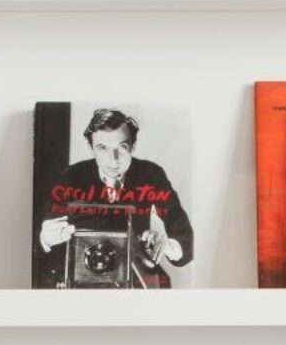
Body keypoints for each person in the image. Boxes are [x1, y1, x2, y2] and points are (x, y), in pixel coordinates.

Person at [37, 109, 193, 288]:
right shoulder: (71, 175)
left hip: (134, 274)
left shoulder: (151, 174)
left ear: (133, 146)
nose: (113, 160)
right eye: (102, 148)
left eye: (122, 147)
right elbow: (37, 241)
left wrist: (167, 245)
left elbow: (186, 239)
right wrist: (45, 239)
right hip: (83, 279)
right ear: (90, 148)